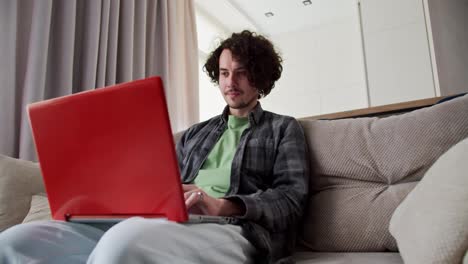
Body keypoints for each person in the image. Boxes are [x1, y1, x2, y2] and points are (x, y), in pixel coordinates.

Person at [0, 30, 309, 264]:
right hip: (170, 221)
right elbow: (160, 186)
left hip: (233, 227)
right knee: (16, 241)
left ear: (261, 77)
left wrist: (222, 204)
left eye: (242, 72)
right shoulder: (194, 134)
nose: (231, 82)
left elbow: (291, 201)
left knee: (122, 246)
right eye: (225, 73)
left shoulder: (283, 128)